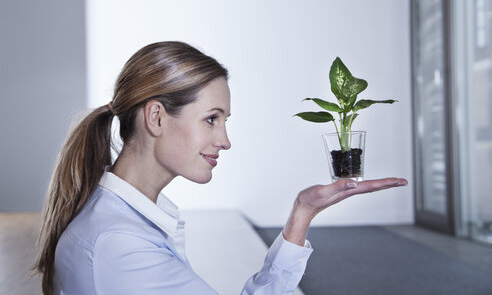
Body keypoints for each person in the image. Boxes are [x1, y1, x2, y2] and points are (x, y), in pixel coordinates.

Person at [34, 41, 407, 294]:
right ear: (156, 118)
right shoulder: (121, 245)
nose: (225, 140)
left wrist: (302, 213)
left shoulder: (116, 222)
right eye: (211, 119)